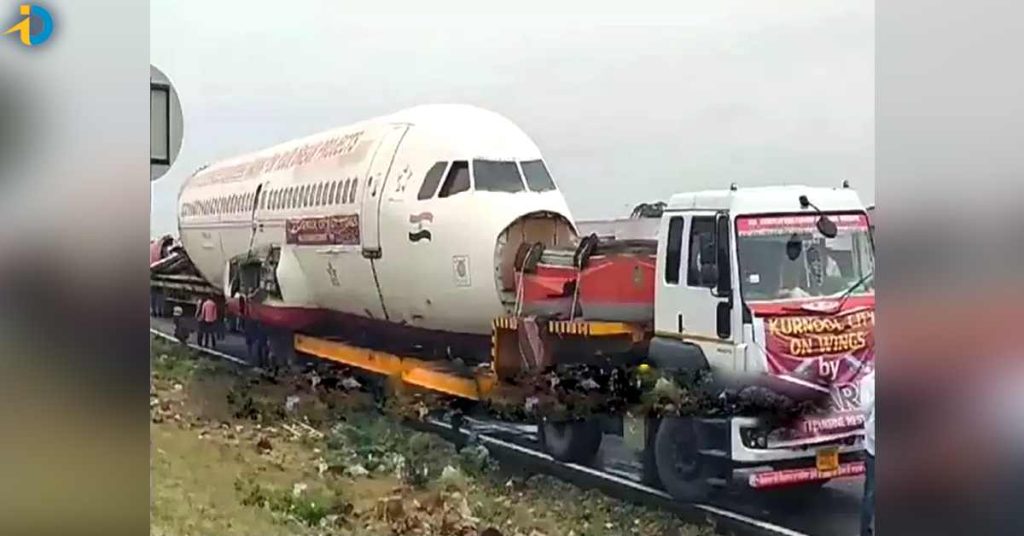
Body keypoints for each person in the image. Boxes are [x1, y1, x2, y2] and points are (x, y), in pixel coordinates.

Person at [860, 367, 875, 536]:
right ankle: (865, 531)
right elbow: (865, 411)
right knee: (871, 493)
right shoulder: (868, 382)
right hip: (874, 447)